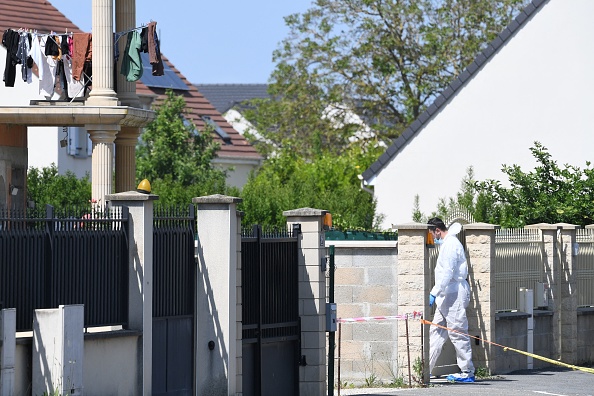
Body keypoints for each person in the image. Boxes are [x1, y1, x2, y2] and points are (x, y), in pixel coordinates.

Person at [427, 217, 475, 383]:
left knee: (457, 333)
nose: (433, 238)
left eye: (432, 234)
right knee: (436, 331)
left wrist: (434, 292)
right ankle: (426, 369)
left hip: (454, 294)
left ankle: (467, 371)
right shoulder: (448, 244)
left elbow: (447, 272)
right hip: (446, 296)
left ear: (437, 230)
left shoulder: (451, 245)